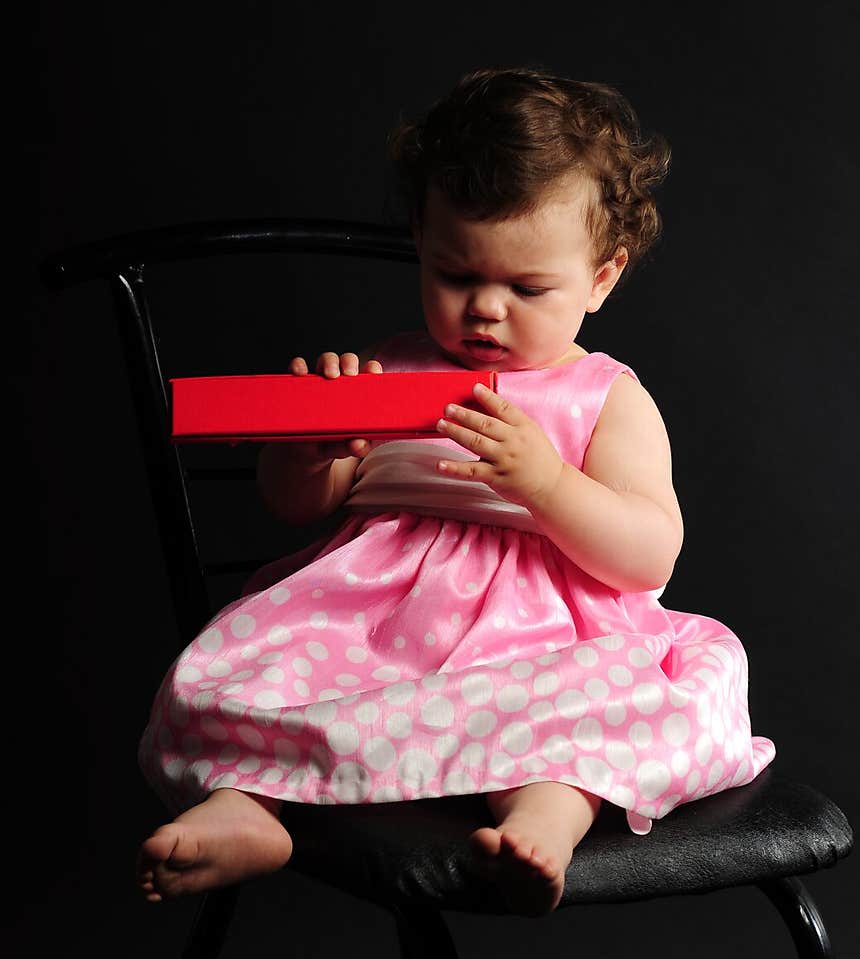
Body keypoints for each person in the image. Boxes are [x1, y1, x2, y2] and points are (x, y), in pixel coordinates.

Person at [138, 66, 775, 915]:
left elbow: (648, 551)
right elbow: (301, 507)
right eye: (455, 274)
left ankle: (543, 819)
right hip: (374, 623)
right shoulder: (387, 367)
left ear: (602, 277)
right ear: (421, 242)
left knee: (612, 705)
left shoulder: (603, 396)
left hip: (542, 640)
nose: (486, 309)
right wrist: (310, 448)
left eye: (527, 287)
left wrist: (546, 484)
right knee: (237, 675)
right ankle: (250, 809)